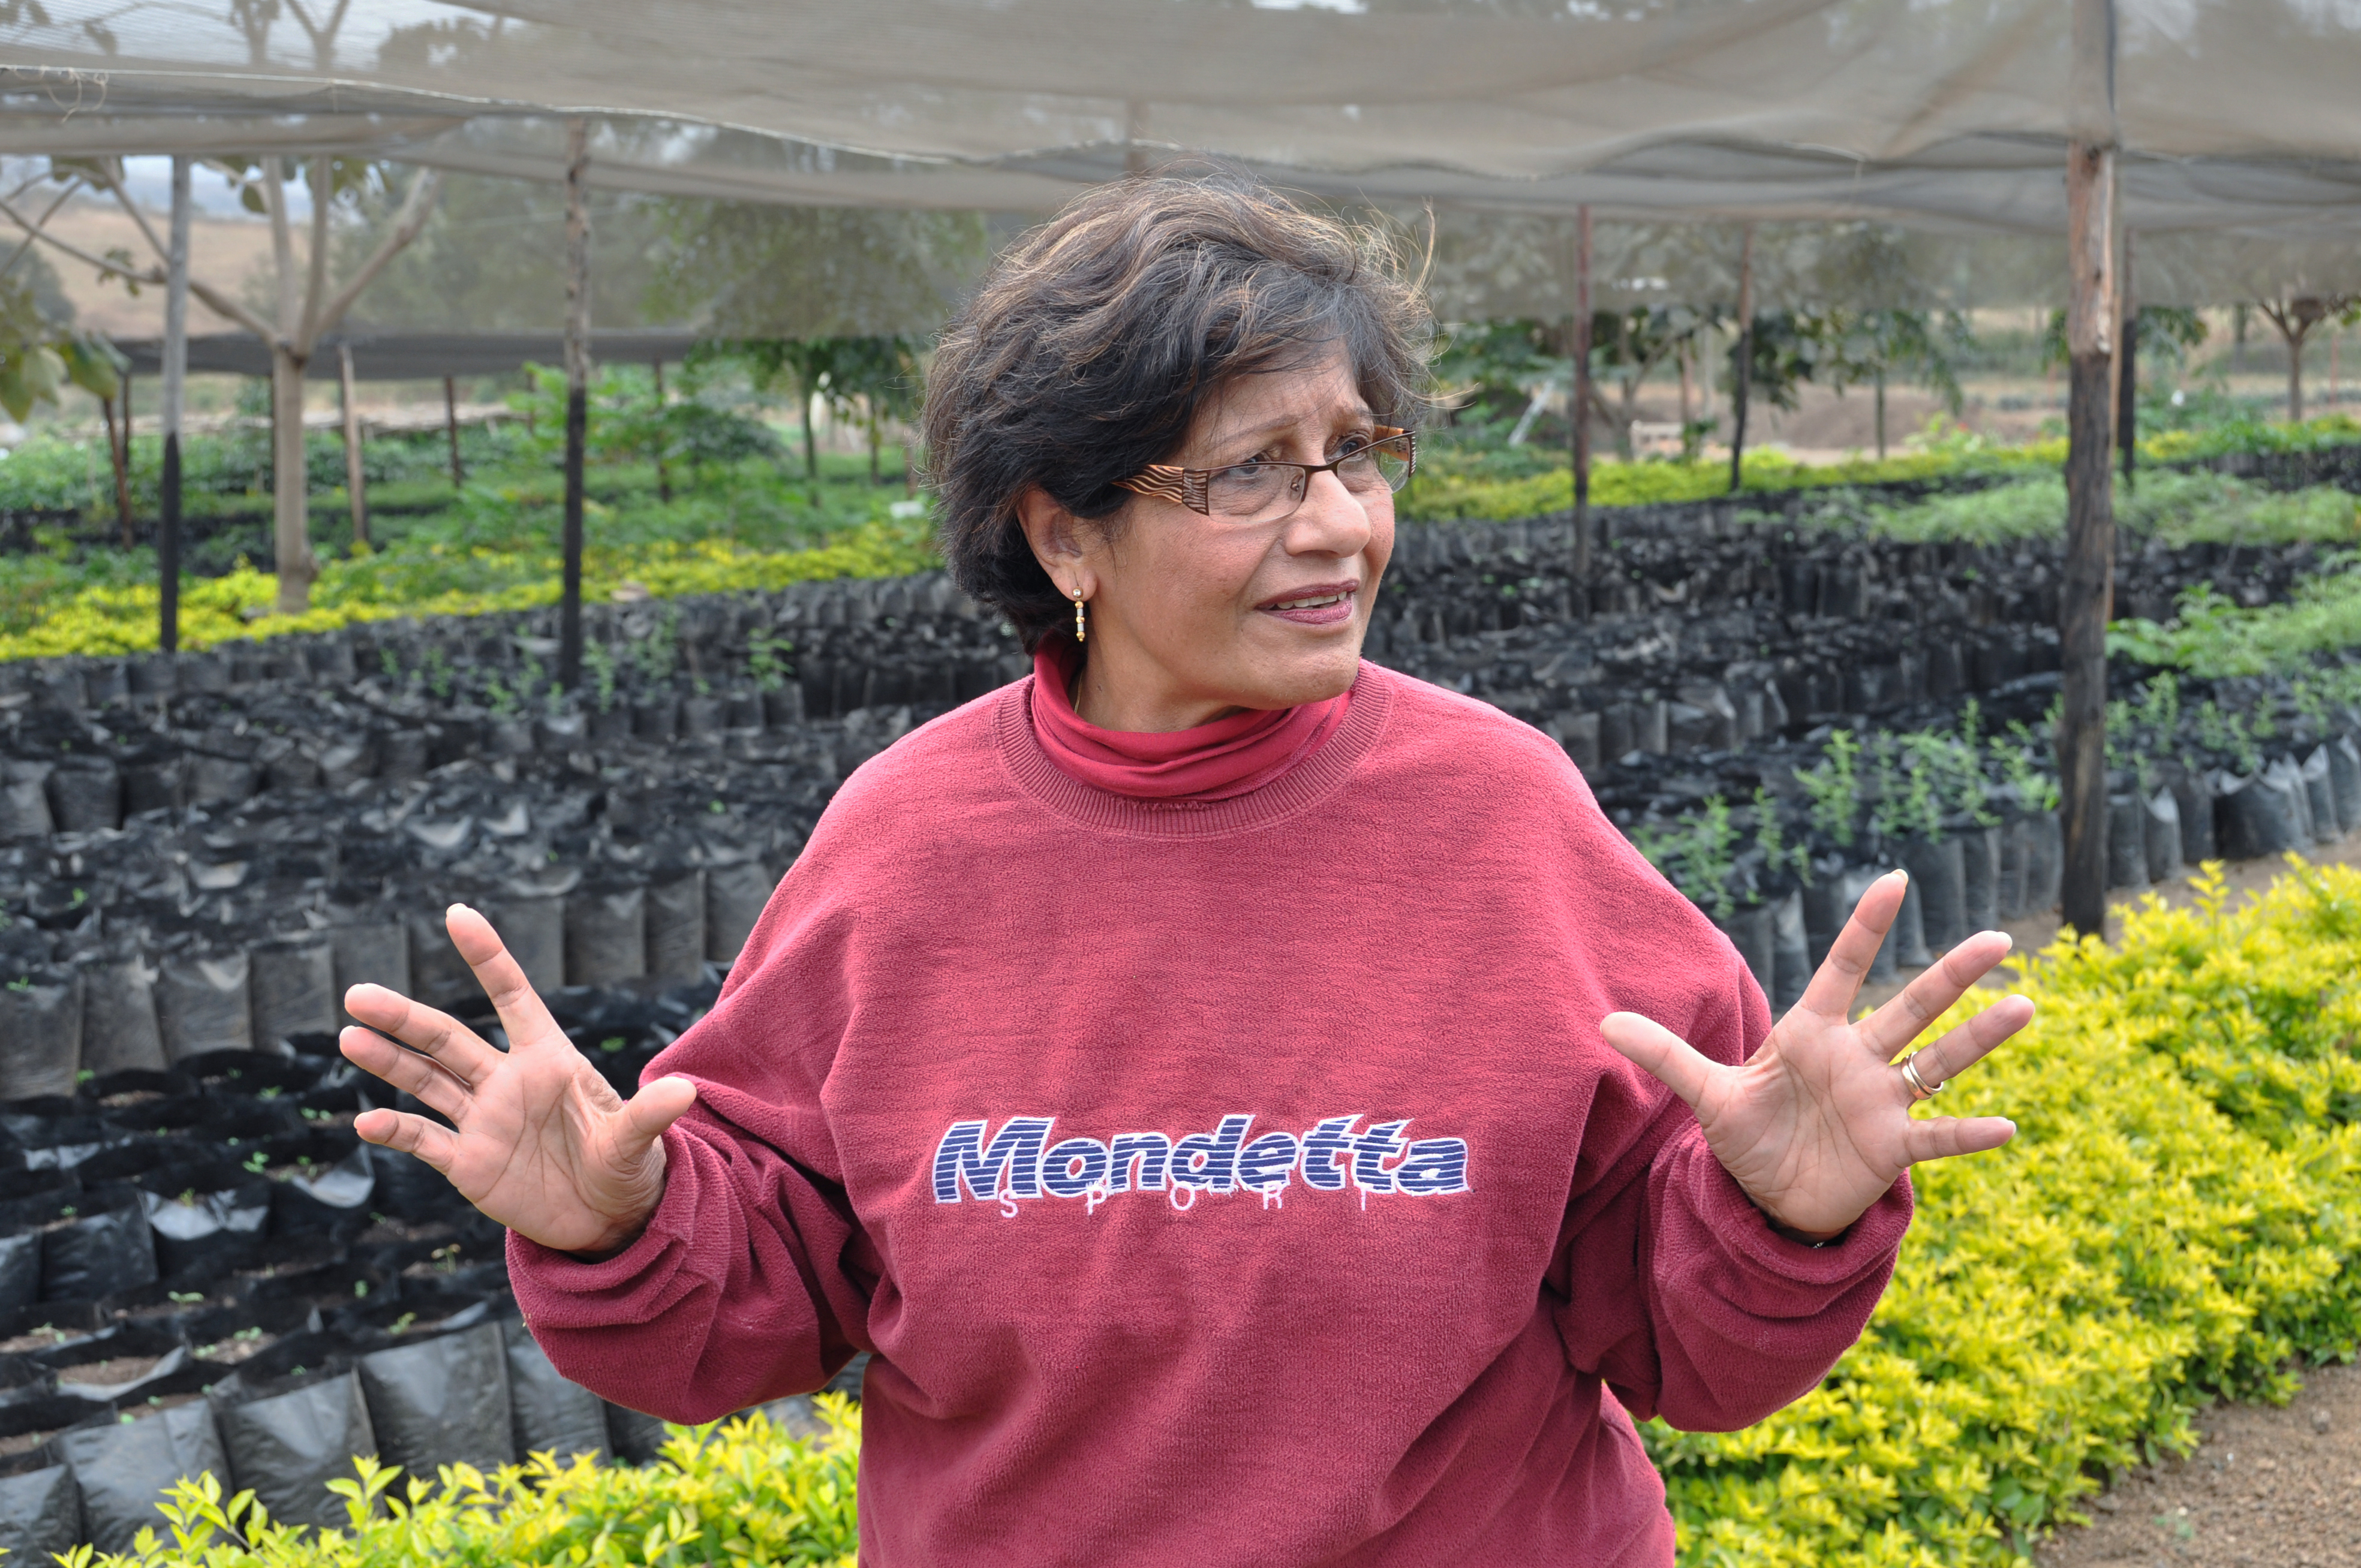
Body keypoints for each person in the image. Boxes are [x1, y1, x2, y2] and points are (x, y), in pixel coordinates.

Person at [338, 170, 2030, 1567]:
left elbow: (1674, 1338)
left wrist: (1773, 1217)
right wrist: (616, 1232)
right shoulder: (908, 849)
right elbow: (761, 1292)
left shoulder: (1502, 817)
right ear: (1060, 532)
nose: (1337, 524)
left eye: (1352, 453)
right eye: (1245, 473)